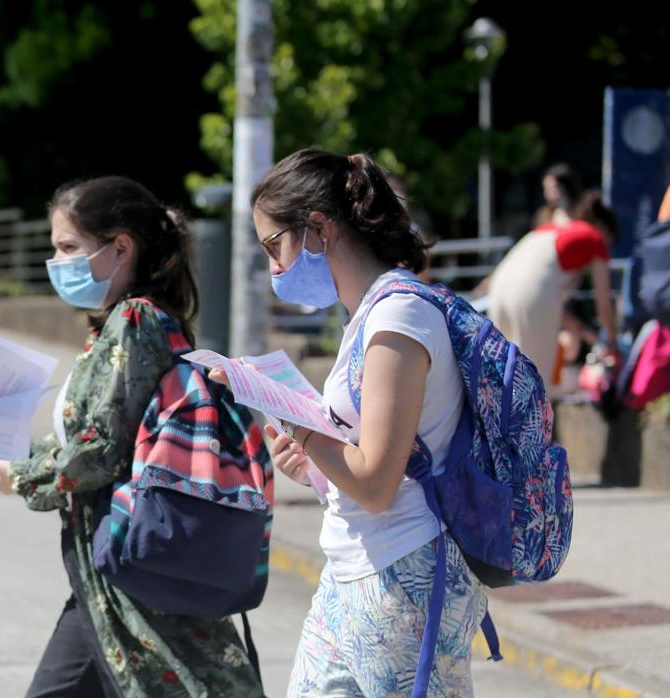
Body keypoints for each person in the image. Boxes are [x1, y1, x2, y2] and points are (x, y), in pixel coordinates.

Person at [0, 176, 264, 697]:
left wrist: (20, 475)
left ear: (120, 247)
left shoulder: (134, 319)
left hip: (129, 559)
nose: (56, 261)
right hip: (110, 566)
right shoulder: (132, 322)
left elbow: (100, 449)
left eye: (68, 247)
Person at [221, 148, 488, 695]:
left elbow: (376, 482)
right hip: (355, 568)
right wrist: (313, 467)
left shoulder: (398, 316)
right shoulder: (370, 313)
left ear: (317, 228)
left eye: (275, 246)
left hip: (405, 574)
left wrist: (296, 424)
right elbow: (377, 463)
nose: (274, 268)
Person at [483, 189, 619, 388]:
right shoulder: (595, 238)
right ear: (605, 230)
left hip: (499, 291)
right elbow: (604, 306)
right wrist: (613, 343)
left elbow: (538, 288)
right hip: (529, 294)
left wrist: (580, 329)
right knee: (534, 385)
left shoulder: (550, 229)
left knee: (502, 379)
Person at [534, 162, 583, 228]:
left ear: (567, 188)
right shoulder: (545, 216)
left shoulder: (584, 212)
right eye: (546, 189)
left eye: (553, 189)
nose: (547, 194)